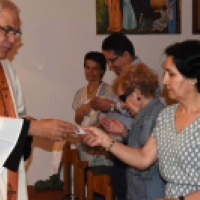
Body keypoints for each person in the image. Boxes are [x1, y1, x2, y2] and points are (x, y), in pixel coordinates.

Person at [83, 40, 200, 200]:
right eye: (165, 73)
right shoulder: (167, 115)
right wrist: (104, 140)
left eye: (171, 74)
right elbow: (144, 158)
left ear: (193, 77)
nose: (164, 81)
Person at [0, 1, 77, 200]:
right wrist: (34, 128)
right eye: (7, 30)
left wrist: (39, 124)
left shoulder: (6, 67)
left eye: (16, 33)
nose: (12, 39)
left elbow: (17, 114)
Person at [82, 63, 165, 200]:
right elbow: (142, 147)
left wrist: (106, 141)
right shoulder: (146, 115)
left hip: (148, 192)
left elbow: (143, 162)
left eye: (123, 98)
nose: (124, 105)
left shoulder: (152, 117)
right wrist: (125, 133)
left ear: (137, 92)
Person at [90, 32, 141, 200]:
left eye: (112, 60)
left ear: (126, 54)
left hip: (132, 144)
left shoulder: (141, 75)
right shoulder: (123, 76)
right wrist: (102, 121)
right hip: (118, 145)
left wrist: (111, 106)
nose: (110, 66)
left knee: (127, 193)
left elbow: (141, 109)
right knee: (120, 192)